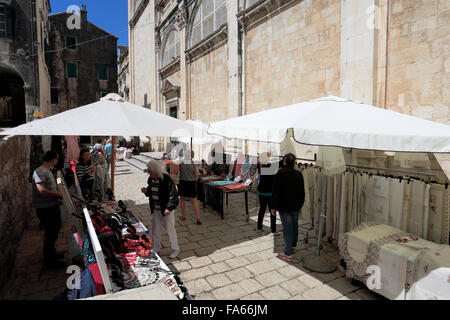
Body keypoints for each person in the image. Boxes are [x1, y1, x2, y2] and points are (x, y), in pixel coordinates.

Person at [31, 151, 65, 269]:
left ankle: (52, 254)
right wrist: (58, 195)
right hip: (46, 208)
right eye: (56, 159)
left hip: (51, 206)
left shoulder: (47, 170)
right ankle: (49, 262)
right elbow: (41, 190)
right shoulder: (39, 171)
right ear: (53, 159)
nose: (56, 162)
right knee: (50, 234)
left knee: (54, 232)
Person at [141, 160, 180, 259]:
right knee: (155, 230)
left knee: (170, 229)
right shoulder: (151, 179)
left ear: (155, 171)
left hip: (166, 210)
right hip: (156, 209)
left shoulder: (166, 179)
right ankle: (156, 248)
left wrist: (169, 208)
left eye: (149, 171)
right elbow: (152, 192)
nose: (148, 173)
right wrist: (146, 191)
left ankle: (175, 249)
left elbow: (173, 195)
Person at [271, 153, 305, 262]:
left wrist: (273, 207)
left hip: (284, 207)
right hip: (295, 206)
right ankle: (293, 246)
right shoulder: (299, 174)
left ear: (284, 161)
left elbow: (275, 192)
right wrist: (300, 205)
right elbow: (302, 192)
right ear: (294, 162)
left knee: (287, 229)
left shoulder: (279, 174)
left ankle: (288, 252)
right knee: (294, 226)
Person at [179, 150, 201, 224]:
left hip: (183, 182)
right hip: (191, 183)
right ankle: (197, 217)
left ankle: (183, 215)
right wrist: (195, 182)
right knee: (194, 201)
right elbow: (196, 176)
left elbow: (176, 172)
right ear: (192, 156)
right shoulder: (194, 164)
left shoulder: (181, 163)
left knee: (182, 199)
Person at [256, 152, 277, 235]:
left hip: (261, 192)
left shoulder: (260, 166)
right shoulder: (271, 167)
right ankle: (273, 230)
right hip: (269, 192)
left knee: (262, 210)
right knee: (272, 211)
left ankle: (259, 227)